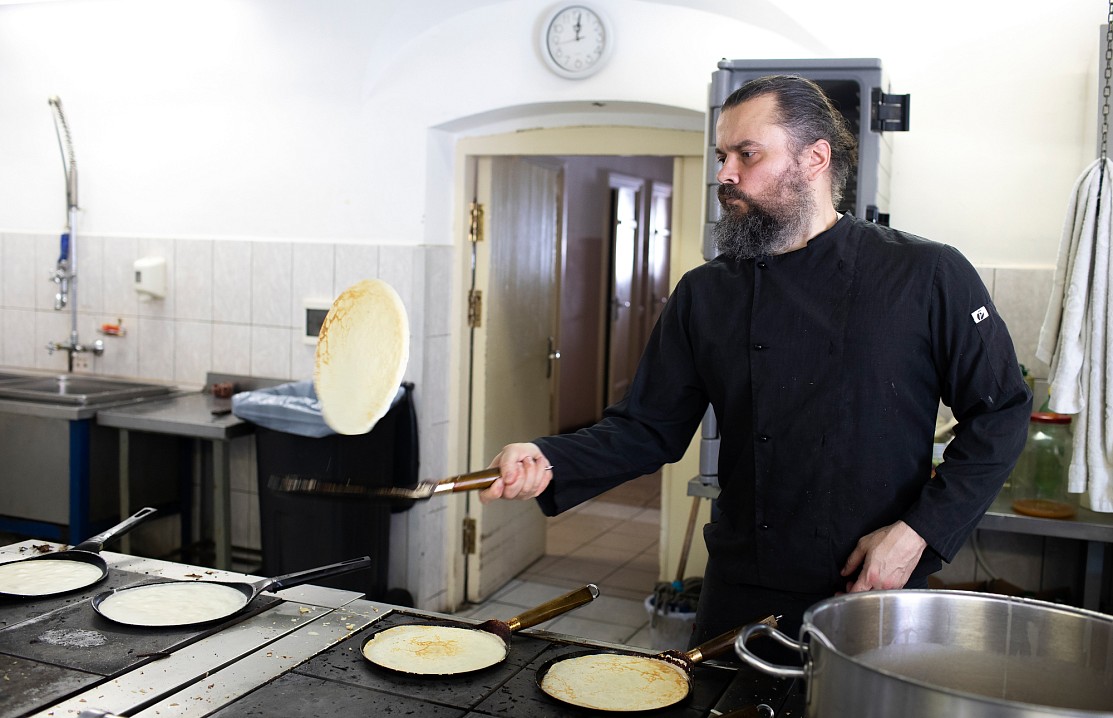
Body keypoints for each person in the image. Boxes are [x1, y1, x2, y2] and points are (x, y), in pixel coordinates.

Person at [480, 75, 1032, 649]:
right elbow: (646, 429)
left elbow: (1002, 411)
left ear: (815, 158)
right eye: (722, 156)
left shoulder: (926, 274)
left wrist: (917, 534)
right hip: (742, 584)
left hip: (873, 580)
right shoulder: (705, 293)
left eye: (747, 154)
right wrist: (549, 458)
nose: (725, 173)